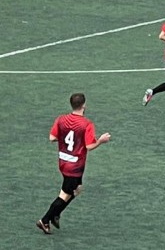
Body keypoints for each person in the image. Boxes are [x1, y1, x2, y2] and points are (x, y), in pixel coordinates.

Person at [36, 92, 111, 235]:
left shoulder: (61, 119)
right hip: (75, 166)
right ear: (84, 105)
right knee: (65, 195)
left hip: (63, 161)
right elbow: (89, 146)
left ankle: (56, 214)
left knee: (78, 189)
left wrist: (65, 138)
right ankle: (45, 220)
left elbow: (52, 138)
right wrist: (101, 140)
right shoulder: (86, 124)